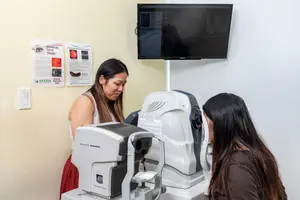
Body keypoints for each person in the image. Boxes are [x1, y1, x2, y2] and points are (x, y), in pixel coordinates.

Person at [59, 58, 129, 199]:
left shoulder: (111, 105)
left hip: (105, 168)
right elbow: (83, 146)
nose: (121, 89)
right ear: (102, 79)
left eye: (124, 84)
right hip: (84, 169)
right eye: (117, 83)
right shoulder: (86, 102)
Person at [202, 93, 287, 200]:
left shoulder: (236, 167)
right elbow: (281, 194)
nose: (202, 127)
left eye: (204, 121)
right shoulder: (258, 152)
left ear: (218, 124)